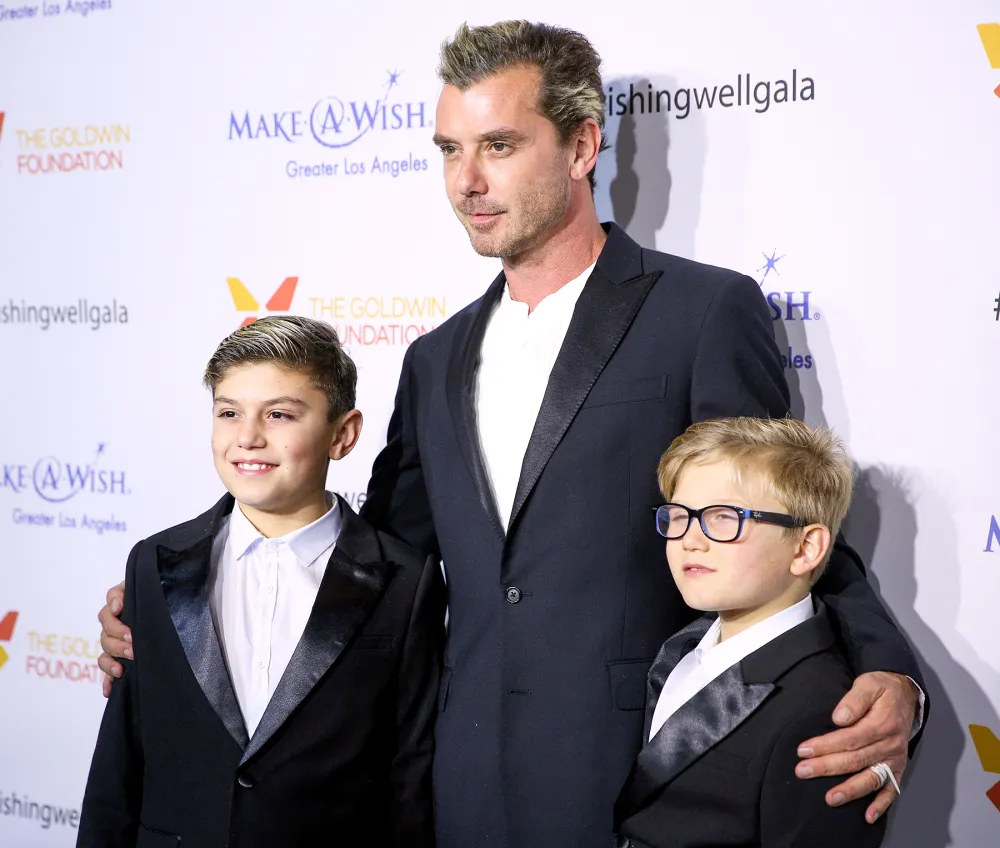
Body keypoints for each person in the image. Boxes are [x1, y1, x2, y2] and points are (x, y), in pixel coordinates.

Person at [97, 21, 924, 848]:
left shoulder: (702, 312)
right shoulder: (435, 357)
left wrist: (887, 669)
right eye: (450, 150)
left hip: (641, 771)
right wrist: (185, 598)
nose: (467, 181)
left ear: (581, 146)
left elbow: (779, 516)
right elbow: (378, 560)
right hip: (455, 781)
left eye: (497, 145)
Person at [78, 317, 443, 848]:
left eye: (279, 414)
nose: (247, 437)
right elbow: (119, 764)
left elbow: (409, 777)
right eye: (229, 412)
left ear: (343, 434)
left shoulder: (404, 581)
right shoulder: (154, 565)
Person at [614, 417, 890, 848]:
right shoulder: (680, 650)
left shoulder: (823, 713)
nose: (690, 539)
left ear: (806, 548)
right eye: (679, 515)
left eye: (723, 518)